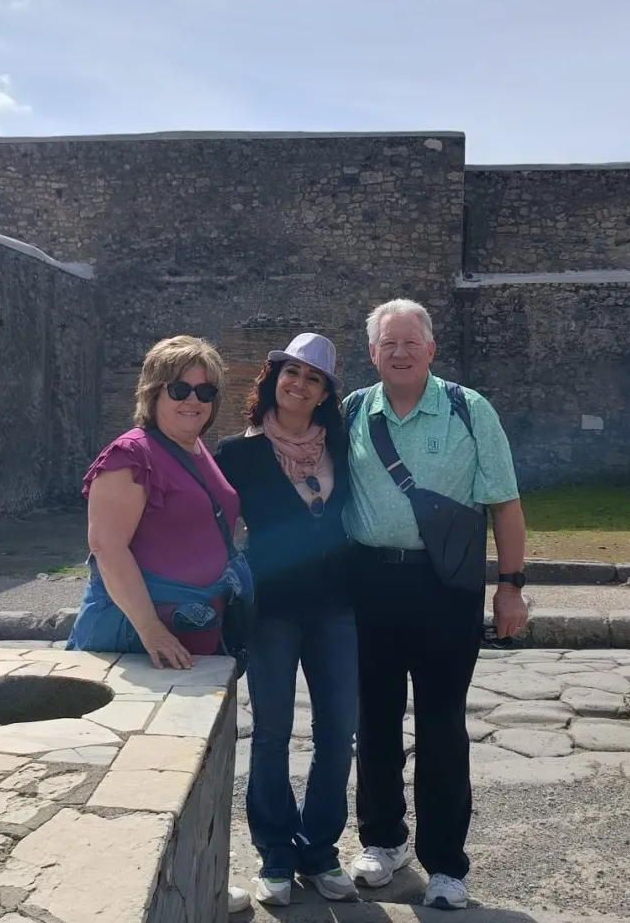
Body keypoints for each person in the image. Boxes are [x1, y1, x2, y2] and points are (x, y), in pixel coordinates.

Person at [340, 298, 529, 912]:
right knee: (374, 719)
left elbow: (503, 502)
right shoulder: (351, 412)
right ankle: (382, 841)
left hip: (446, 586)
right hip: (370, 581)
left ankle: (446, 863)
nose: (398, 352)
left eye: (409, 342)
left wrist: (510, 585)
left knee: (443, 724)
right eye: (386, 344)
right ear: (371, 353)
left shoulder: (468, 410)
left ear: (430, 348)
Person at [65, 334, 255, 916]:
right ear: (153, 392)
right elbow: (107, 546)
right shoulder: (132, 454)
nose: (193, 400)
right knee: (120, 778)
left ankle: (192, 889)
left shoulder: (196, 450)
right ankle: (103, 897)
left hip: (191, 638)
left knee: (181, 774)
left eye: (205, 390)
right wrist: (150, 629)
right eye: (180, 388)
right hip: (137, 640)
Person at [214, 333, 360, 908]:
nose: (299, 384)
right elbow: (216, 530)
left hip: (337, 606)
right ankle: (275, 848)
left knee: (336, 733)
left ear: (325, 392)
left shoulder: (343, 447)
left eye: (313, 378)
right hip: (272, 608)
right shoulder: (238, 454)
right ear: (273, 377)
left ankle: (320, 847)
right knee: (272, 733)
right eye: (291, 372)